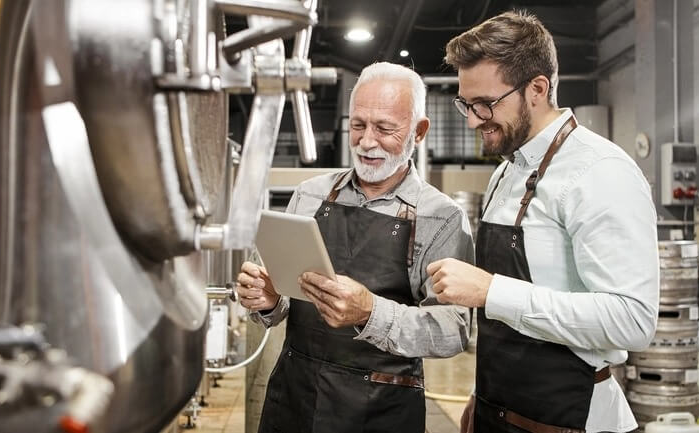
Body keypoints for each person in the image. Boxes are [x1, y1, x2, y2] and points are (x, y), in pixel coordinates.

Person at [427, 10, 659, 433]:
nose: (473, 119)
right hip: (500, 411)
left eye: (486, 104)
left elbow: (633, 320)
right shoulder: (506, 171)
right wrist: (483, 398)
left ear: (537, 88)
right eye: (466, 103)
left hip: (570, 419)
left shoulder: (599, 171)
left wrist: (492, 291)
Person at [236, 62, 474, 433]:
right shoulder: (310, 194)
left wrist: (370, 313)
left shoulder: (441, 217)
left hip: (380, 410)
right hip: (295, 398)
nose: (366, 142)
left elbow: (453, 329)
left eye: (384, 128)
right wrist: (266, 299)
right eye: (359, 125)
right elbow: (279, 298)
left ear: (419, 131)